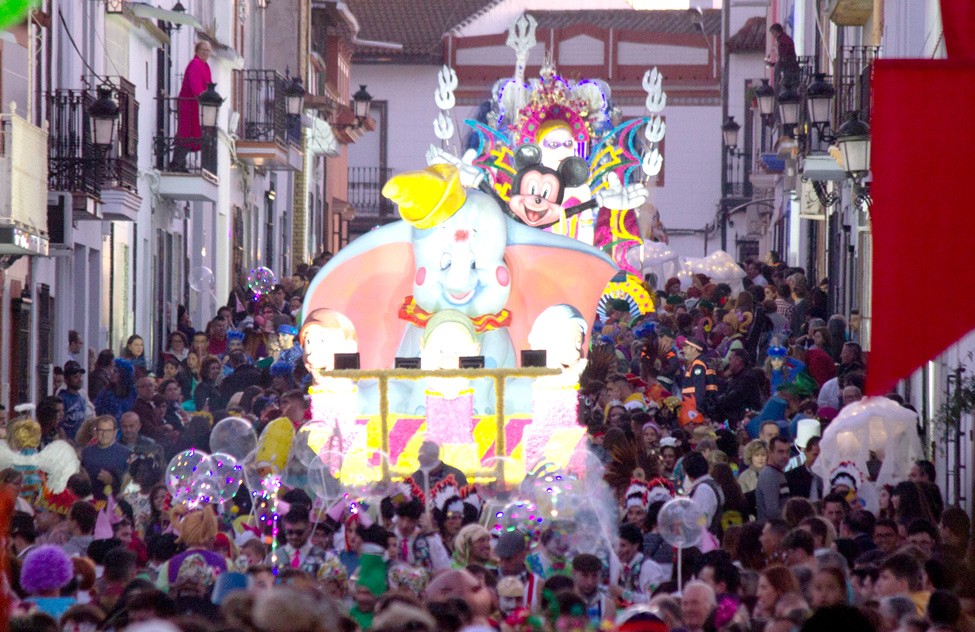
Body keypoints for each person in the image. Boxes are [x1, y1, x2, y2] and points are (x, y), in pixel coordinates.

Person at [171, 40, 214, 171]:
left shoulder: (205, 66)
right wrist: (202, 97)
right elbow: (194, 84)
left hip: (196, 105)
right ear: (197, 51)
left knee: (193, 134)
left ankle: (181, 162)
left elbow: (209, 85)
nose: (205, 53)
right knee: (186, 133)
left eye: (208, 50)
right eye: (203, 50)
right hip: (189, 105)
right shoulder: (195, 64)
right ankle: (177, 163)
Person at [80, 415, 131, 497]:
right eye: (101, 430)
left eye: (108, 431)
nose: (104, 434)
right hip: (88, 501)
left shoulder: (126, 454)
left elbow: (130, 487)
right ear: (96, 431)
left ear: (115, 432)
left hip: (113, 504)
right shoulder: (86, 452)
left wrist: (112, 481)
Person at [756, 436, 791, 521]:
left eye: (787, 452)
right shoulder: (770, 476)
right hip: (772, 530)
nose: (785, 456)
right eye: (780, 452)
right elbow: (773, 512)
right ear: (770, 452)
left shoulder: (777, 474)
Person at [59, 360, 93, 441]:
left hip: (80, 442)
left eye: (80, 377)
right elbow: (59, 424)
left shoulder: (81, 397)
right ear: (67, 379)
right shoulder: (62, 398)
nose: (79, 380)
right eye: (75, 377)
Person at [768, 23, 800, 90]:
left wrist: (778, 63)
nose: (773, 35)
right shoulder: (784, 39)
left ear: (776, 32)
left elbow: (784, 54)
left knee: (785, 85)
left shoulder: (783, 41)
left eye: (773, 33)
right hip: (790, 66)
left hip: (789, 67)